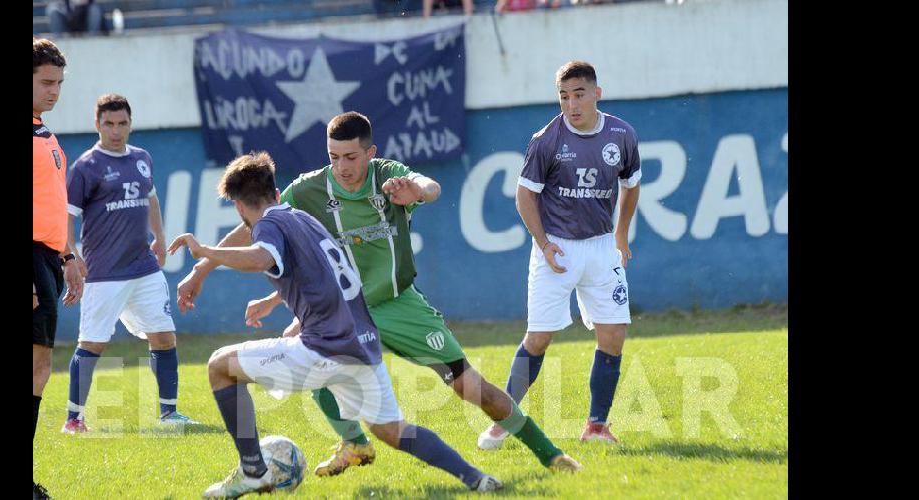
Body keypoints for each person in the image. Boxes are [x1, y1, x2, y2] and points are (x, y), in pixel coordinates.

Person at [178, 112, 581, 477]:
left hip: (397, 303)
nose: (341, 167)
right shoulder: (309, 190)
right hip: (345, 312)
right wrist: (202, 268)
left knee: (468, 387)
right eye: (334, 157)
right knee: (304, 352)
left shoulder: (387, 177)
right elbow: (262, 224)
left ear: (369, 153)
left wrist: (417, 192)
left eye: (351, 157)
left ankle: (549, 454)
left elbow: (431, 186)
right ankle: (354, 443)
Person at [168, 152, 503, 498]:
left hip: (324, 349)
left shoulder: (268, 225)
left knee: (220, 366)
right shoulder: (304, 220)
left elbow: (262, 257)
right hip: (364, 345)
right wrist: (275, 301)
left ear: (239, 207)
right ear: (277, 192)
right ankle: (476, 478)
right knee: (393, 430)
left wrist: (207, 252)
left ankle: (253, 471)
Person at [480, 60, 641, 447]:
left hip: (602, 247)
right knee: (539, 337)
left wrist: (621, 235)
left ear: (596, 93)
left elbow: (631, 185)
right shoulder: (547, 140)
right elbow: (524, 196)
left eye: (579, 94)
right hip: (558, 248)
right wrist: (544, 244)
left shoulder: (622, 135)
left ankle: (597, 426)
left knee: (614, 335)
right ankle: (504, 419)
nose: (572, 104)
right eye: (564, 96)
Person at [60, 94, 197, 434]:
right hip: (104, 273)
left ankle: (169, 415)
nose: (116, 130)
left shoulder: (141, 158)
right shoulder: (85, 167)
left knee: (164, 337)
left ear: (130, 123)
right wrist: (72, 254)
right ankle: (73, 419)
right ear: (97, 125)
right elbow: (66, 217)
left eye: (122, 123)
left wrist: (161, 238)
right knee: (92, 343)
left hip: (144, 268)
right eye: (109, 123)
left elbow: (151, 199)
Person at [33, 36, 76, 500]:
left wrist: (68, 255)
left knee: (39, 365)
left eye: (60, 83)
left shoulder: (45, 133)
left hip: (47, 257)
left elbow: (53, 203)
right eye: (46, 82)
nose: (55, 91)